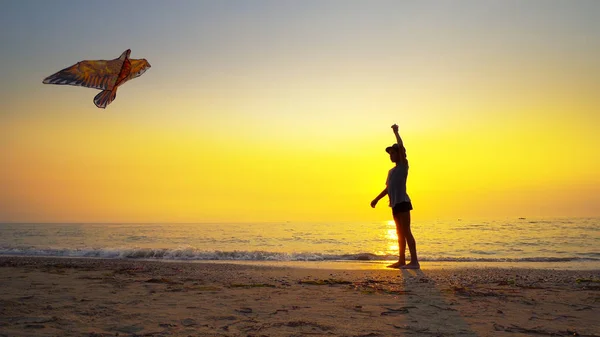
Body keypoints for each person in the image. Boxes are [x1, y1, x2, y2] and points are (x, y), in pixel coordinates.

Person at [371, 124, 420, 269]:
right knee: (399, 233)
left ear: (399, 154)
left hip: (403, 203)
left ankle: (415, 262)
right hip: (394, 205)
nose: (391, 155)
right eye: (390, 153)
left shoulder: (403, 165)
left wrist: (396, 132)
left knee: (406, 232)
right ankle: (401, 260)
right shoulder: (391, 171)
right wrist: (376, 199)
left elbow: (402, 147)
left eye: (393, 153)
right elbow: (388, 189)